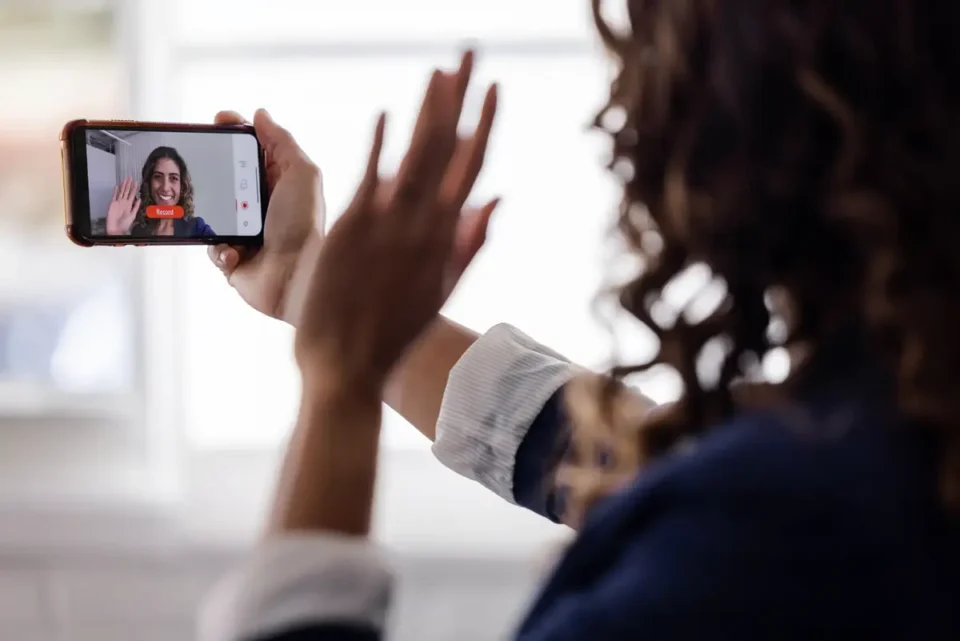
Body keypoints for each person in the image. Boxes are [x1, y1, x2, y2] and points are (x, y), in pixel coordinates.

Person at [201, 0, 960, 636]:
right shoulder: (908, 406)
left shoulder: (765, 536)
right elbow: (653, 462)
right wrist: (314, 288)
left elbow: (722, 492)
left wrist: (340, 389)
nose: (621, 115)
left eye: (659, 60)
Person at [105, 146, 216, 237]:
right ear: (149, 184)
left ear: (182, 187)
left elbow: (217, 252)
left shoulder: (196, 228)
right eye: (158, 176)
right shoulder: (138, 231)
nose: (165, 187)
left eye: (173, 178)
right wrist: (114, 234)